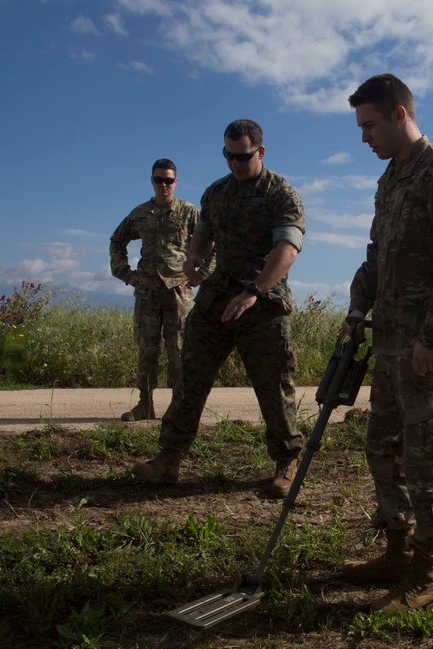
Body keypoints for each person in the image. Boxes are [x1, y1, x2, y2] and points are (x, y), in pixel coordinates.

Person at [340, 74, 433, 612]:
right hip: (391, 347)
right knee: (384, 450)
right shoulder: (391, 180)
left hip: (431, 351)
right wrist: (358, 308)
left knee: (430, 460)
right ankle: (397, 551)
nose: (364, 138)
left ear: (400, 114)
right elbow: (377, 255)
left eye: (370, 124)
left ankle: (427, 573)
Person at [131, 119, 306, 499]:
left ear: (260, 152)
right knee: (190, 377)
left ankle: (286, 462)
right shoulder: (217, 192)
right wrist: (195, 257)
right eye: (228, 156)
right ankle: (168, 460)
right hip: (216, 298)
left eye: (242, 156)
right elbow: (204, 233)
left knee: (274, 386)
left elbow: (287, 250)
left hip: (263, 302)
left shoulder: (281, 195)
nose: (235, 163)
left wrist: (254, 290)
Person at [110, 158, 199, 422]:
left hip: (178, 291)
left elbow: (213, 242)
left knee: (179, 351)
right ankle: (144, 405)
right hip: (148, 290)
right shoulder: (139, 214)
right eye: (159, 179)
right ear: (152, 181)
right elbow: (117, 241)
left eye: (168, 180)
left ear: (175, 182)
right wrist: (126, 273)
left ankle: (179, 408)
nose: (164, 185)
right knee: (147, 349)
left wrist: (201, 273)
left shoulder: (189, 212)